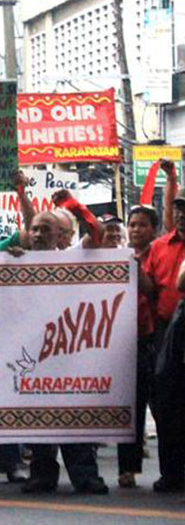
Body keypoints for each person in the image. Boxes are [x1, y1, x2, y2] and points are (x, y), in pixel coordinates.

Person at [13, 212, 109, 495]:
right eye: (35, 229)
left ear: (60, 235)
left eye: (46, 229)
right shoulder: (17, 261)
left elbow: (98, 231)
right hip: (33, 353)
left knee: (73, 412)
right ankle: (42, 474)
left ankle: (85, 475)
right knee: (38, 415)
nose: (39, 234)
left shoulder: (72, 257)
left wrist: (72, 205)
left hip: (68, 350)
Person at [140, 186, 185, 493]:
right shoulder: (159, 247)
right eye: (179, 209)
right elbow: (150, 287)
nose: (182, 215)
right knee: (167, 405)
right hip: (168, 332)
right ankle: (171, 472)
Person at [116, 205, 159, 489]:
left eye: (142, 225)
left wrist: (136, 266)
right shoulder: (115, 254)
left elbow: (151, 289)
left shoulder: (158, 254)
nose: (136, 229)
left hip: (153, 338)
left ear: (152, 229)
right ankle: (128, 469)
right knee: (129, 407)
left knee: (163, 406)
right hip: (123, 340)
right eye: (132, 224)